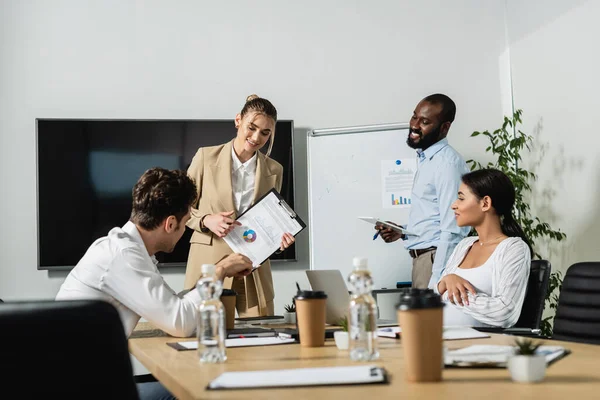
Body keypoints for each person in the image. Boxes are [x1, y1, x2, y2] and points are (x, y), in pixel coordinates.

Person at [56, 167, 253, 400]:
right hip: (82, 389)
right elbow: (180, 322)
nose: (184, 232)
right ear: (170, 224)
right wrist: (219, 271)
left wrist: (216, 272)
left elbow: (174, 305)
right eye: (185, 223)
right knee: (197, 391)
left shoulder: (127, 248)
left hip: (85, 380)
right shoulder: (123, 256)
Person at [183, 94, 294, 317]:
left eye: (265, 132)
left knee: (262, 342)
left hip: (253, 265)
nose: (256, 137)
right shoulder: (205, 157)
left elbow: (271, 217)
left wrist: (280, 238)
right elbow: (181, 210)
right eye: (251, 127)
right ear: (238, 121)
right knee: (204, 334)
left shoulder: (275, 170)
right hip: (209, 262)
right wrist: (206, 220)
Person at [376, 93, 470, 288]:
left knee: (429, 320)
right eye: (414, 116)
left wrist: (437, 279)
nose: (415, 125)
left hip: (434, 263)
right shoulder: (428, 160)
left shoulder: (447, 164)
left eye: (425, 121)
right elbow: (433, 219)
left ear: (444, 127)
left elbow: (453, 228)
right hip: (423, 261)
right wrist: (402, 233)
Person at [434, 168, 533, 328]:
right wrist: (445, 282)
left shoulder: (513, 248)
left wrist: (453, 293)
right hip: (442, 340)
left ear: (485, 203)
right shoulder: (464, 245)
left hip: (483, 346)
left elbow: (505, 312)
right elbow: (436, 293)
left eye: (461, 198)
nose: (454, 205)